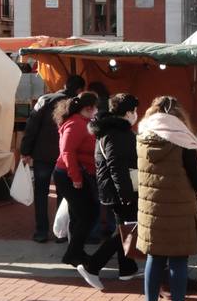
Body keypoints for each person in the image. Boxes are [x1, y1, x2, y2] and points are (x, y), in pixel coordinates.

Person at [137, 95, 197, 301]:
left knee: (154, 258)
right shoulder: (182, 140)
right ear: (178, 116)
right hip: (179, 208)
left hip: (151, 208)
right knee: (178, 258)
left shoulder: (142, 136)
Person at [76, 93, 141, 289]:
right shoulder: (117, 133)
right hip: (120, 189)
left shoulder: (108, 129)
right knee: (126, 229)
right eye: (135, 111)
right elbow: (116, 165)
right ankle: (92, 265)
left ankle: (127, 268)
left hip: (113, 188)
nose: (136, 114)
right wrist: (126, 193)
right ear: (128, 112)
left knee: (125, 226)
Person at [19, 74, 85, 243]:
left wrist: (26, 150)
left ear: (64, 83)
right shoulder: (77, 105)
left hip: (42, 155)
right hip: (65, 157)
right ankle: (61, 232)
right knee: (64, 194)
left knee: (41, 193)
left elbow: (31, 126)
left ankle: (41, 231)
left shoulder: (45, 99)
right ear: (80, 90)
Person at [53, 91, 101, 268]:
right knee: (87, 215)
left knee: (79, 215)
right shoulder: (76, 124)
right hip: (69, 175)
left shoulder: (82, 122)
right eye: (95, 107)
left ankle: (76, 252)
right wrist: (76, 177)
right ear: (88, 108)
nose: (97, 110)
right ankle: (73, 253)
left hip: (73, 174)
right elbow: (67, 152)